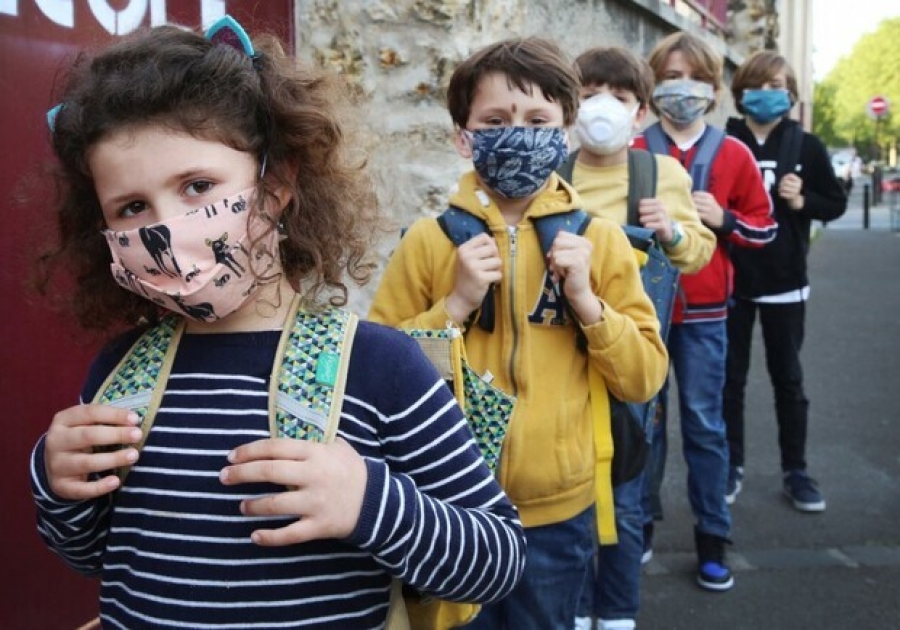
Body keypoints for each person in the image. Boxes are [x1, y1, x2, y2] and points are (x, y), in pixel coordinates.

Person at [28, 17, 527, 629]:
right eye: (132, 207)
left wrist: (368, 503)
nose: (166, 228)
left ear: (278, 183)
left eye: (197, 186)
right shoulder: (118, 375)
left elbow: (496, 560)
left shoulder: (379, 368)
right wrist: (56, 483)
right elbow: (90, 556)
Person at [368, 37, 669, 630]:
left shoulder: (600, 241)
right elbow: (377, 379)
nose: (517, 134)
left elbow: (643, 378)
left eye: (537, 121)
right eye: (495, 121)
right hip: (450, 506)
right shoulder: (429, 243)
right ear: (463, 137)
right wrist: (453, 306)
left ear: (564, 134)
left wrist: (587, 303)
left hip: (558, 514)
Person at [566, 46, 715, 630]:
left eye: (620, 96)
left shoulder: (661, 173)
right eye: (588, 94)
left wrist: (671, 231)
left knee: (625, 495)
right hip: (564, 354)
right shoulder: (555, 172)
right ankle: (577, 607)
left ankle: (618, 611)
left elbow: (697, 254)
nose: (602, 105)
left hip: (631, 357)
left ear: (640, 112)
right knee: (572, 488)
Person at [634, 30, 778, 592]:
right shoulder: (633, 149)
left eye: (694, 78)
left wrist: (724, 220)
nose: (683, 88)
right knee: (644, 425)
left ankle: (713, 536)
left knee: (704, 425)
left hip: (706, 314)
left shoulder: (734, 153)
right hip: (641, 311)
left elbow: (765, 228)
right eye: (671, 77)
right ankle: (640, 523)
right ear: (652, 86)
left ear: (714, 89)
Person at [723, 51, 847, 512]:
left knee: (788, 380)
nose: (767, 93)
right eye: (758, 84)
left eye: (776, 85)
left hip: (785, 282)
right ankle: (730, 465)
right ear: (740, 92)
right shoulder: (724, 141)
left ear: (791, 94)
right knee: (728, 381)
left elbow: (834, 203)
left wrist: (802, 201)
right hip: (731, 282)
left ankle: (796, 471)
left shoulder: (805, 145)